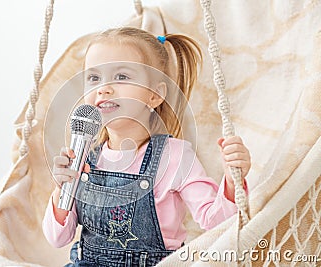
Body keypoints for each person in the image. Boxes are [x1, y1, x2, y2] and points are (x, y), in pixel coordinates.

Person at [42, 27, 251, 266]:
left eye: (121, 76)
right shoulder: (85, 157)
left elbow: (218, 225)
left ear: (154, 95)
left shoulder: (175, 156)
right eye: (94, 78)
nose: (103, 88)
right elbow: (58, 238)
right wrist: (63, 188)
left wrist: (233, 181)